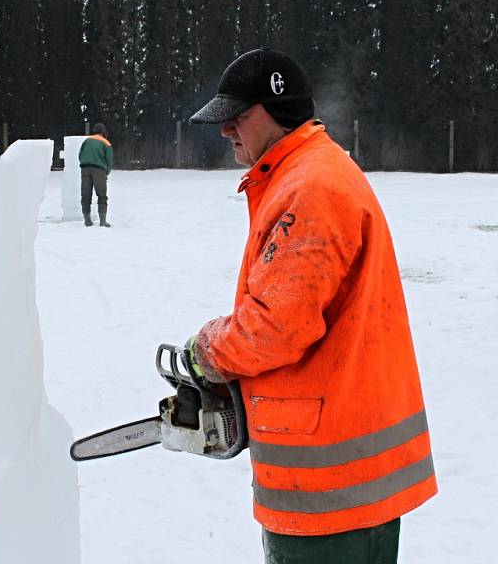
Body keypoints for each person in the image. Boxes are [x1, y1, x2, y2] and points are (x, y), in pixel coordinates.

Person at [185, 48, 437, 563]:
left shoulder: (311, 188)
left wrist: (206, 352)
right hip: (332, 480)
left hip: (333, 490)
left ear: (277, 109)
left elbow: (276, 326)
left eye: (238, 116)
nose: (226, 129)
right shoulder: (302, 175)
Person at [79, 122, 114, 227]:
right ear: (104, 133)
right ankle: (102, 221)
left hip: (85, 169)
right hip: (99, 170)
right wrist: (106, 172)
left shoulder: (87, 141)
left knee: (85, 195)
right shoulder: (106, 143)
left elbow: (80, 155)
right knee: (102, 195)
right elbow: (109, 161)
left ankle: (87, 220)